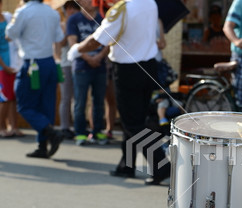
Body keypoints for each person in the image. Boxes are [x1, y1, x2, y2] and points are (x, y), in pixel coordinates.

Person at [68, 0, 170, 185]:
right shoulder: (150, 3)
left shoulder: (122, 9)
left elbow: (97, 40)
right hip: (148, 66)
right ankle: (127, 165)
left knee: (132, 123)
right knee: (133, 119)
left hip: (128, 70)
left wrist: (76, 50)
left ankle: (161, 165)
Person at [6, 0, 65, 158]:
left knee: (24, 106)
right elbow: (59, 37)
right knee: (46, 106)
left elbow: (9, 35)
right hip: (49, 62)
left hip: (32, 64)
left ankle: (50, 133)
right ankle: (42, 146)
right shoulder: (52, 12)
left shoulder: (23, 11)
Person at [66, 0, 108, 146]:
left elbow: (109, 42)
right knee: (80, 101)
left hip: (100, 66)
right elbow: (73, 44)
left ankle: (97, 131)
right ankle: (80, 133)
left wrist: (99, 57)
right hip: (81, 67)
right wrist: (89, 58)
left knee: (99, 102)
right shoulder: (74, 19)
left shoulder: (103, 18)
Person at [54, 0, 80, 140]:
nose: (71, 11)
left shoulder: (80, 23)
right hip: (65, 64)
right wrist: (68, 25)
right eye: (69, 8)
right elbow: (60, 43)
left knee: (78, 98)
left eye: (74, 8)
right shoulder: (62, 25)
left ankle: (77, 127)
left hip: (79, 64)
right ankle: (65, 127)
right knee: (65, 97)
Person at [0, 1, 23, 138]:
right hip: (2, 66)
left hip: (14, 63)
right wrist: (4, 66)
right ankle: (1, 127)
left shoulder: (8, 17)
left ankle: (14, 127)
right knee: (4, 98)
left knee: (13, 97)